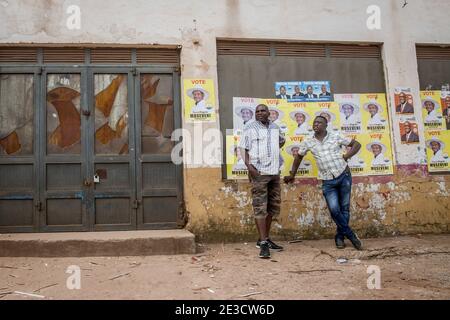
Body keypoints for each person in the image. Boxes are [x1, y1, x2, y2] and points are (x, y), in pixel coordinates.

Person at [284, 115, 363, 250]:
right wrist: (292, 174)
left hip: (343, 174)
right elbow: (299, 157)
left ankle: (339, 237)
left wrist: (346, 156)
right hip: (327, 180)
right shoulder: (308, 141)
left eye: (319, 122)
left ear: (326, 125)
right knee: (334, 209)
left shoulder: (336, 136)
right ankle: (350, 235)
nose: (316, 124)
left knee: (344, 208)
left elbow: (357, 144)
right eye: (314, 122)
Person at [239, 104, 286, 259]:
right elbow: (243, 148)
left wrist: (272, 152)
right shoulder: (250, 128)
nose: (259, 113)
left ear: (269, 113)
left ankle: (264, 239)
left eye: (262, 111)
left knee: (272, 207)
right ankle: (264, 244)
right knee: (260, 207)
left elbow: (281, 141)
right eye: (257, 111)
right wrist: (249, 167)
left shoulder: (275, 127)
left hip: (274, 172)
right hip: (258, 172)